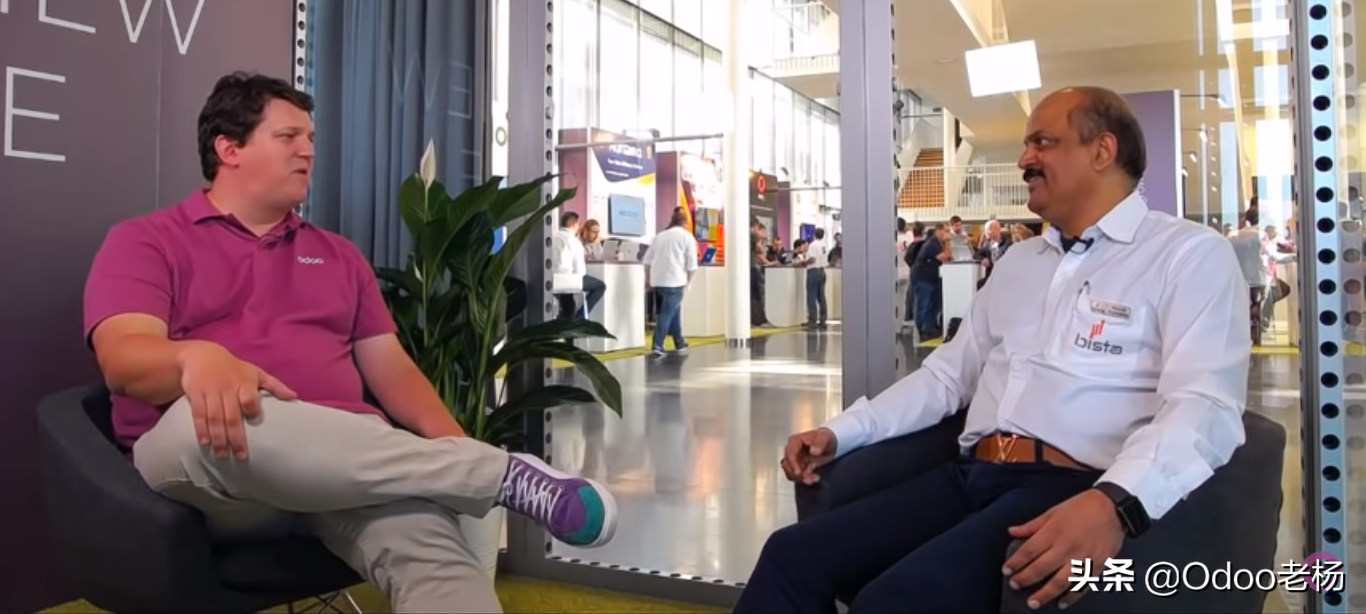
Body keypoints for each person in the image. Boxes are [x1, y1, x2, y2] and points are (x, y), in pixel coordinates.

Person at [81, 72, 618, 614]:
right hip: (213, 474)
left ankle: (480, 471)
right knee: (211, 413)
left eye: (310, 138)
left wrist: (454, 441)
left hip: (350, 469)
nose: (307, 151)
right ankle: (494, 473)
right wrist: (193, 358)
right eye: (288, 137)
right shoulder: (147, 241)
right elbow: (123, 359)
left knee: (439, 565)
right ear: (229, 149)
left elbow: (392, 370)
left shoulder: (339, 256)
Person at [735, 86, 1250, 613]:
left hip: (1068, 487)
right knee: (790, 555)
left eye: (1042, 142)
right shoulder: (1019, 263)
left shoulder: (1186, 255)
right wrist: (839, 432)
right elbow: (945, 378)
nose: (1024, 159)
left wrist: (1115, 503)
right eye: (1026, 145)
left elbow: (1205, 405)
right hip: (970, 474)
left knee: (897, 600)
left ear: (1102, 150)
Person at [643, 207, 699, 358]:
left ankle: (679, 342)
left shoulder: (659, 236)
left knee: (674, 310)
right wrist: (689, 282)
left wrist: (648, 278)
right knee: (667, 313)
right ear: (685, 223)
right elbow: (692, 264)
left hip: (658, 280)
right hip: (675, 280)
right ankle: (657, 345)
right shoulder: (687, 237)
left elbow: (647, 260)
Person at [552, 211, 607, 319]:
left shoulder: (552, 238)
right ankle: (580, 319)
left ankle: (568, 319)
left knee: (568, 304)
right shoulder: (574, 241)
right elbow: (580, 271)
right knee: (600, 286)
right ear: (574, 225)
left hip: (551, 280)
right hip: (568, 280)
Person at [797, 227, 830, 329]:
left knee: (811, 296)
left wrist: (804, 262)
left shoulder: (813, 245)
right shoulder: (824, 245)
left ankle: (812, 320)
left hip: (813, 272)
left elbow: (812, 259)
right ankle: (823, 320)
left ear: (814, 234)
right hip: (822, 271)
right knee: (821, 297)